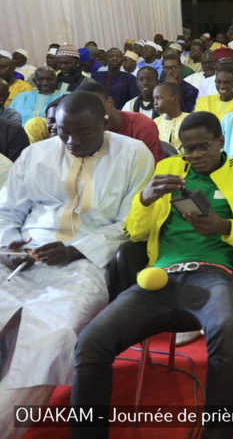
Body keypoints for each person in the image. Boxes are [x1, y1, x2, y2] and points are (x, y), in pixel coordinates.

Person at [72, 109, 233, 438]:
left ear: (221, 142)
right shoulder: (168, 169)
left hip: (214, 275)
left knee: (227, 333)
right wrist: (144, 199)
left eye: (203, 147)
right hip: (159, 276)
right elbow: (135, 234)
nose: (195, 156)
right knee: (90, 342)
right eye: (187, 148)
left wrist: (225, 226)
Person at [0, 92, 153, 439]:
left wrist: (77, 250)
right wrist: (8, 244)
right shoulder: (35, 153)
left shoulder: (133, 154)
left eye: (83, 132)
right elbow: (7, 210)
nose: (72, 141)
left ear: (105, 122)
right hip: (23, 253)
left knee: (52, 334)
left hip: (87, 261)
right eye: (64, 132)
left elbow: (132, 222)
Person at [76, 81, 164, 164]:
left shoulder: (142, 125)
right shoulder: (87, 131)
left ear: (110, 103)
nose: (90, 113)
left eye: (94, 106)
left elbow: (147, 170)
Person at [153, 81, 187, 150]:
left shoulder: (189, 120)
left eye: (159, 98)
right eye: (154, 99)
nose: (155, 103)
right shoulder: (155, 122)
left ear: (175, 99)